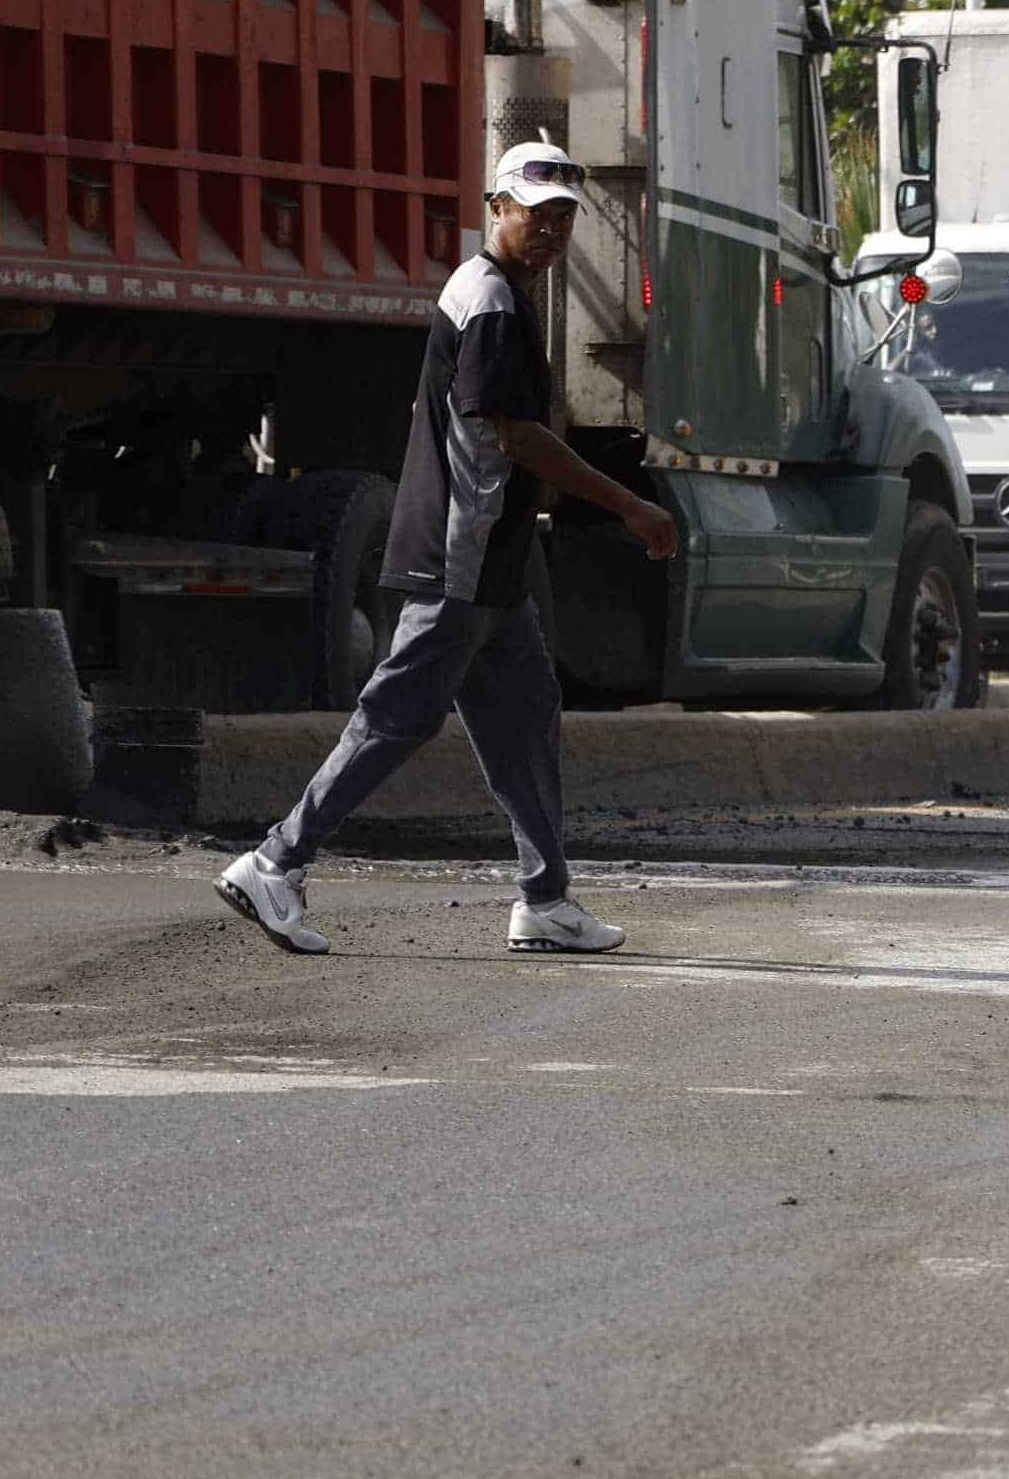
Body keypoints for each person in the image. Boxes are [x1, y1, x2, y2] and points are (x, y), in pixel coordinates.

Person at [217, 141, 682, 957]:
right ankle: (276, 860)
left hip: (490, 565)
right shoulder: (493, 301)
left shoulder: (504, 293)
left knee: (527, 715)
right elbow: (516, 436)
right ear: (496, 208)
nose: (550, 231)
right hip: (457, 558)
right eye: (536, 215)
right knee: (396, 716)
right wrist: (630, 506)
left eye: (564, 218)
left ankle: (545, 898)